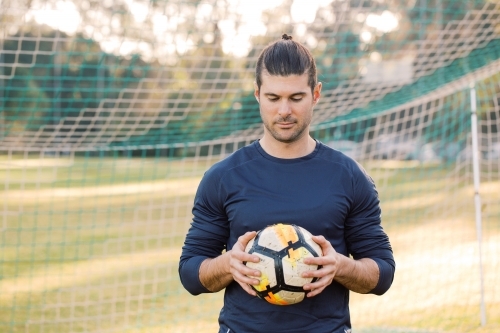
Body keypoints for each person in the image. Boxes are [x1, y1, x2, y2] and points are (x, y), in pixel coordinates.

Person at [179, 34, 395, 333]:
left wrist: (341, 266)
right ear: (257, 94)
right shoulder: (223, 177)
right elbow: (191, 274)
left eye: (296, 98)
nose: (284, 111)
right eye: (273, 98)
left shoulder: (348, 176)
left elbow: (383, 275)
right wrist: (228, 264)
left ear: (316, 94)